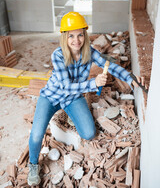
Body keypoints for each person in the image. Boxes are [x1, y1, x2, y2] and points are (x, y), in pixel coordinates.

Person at [27, 11, 147, 186]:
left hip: (73, 97)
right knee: (37, 135)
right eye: (71, 36)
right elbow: (65, 86)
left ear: (85, 35)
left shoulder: (89, 52)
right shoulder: (58, 55)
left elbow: (109, 66)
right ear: (64, 37)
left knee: (89, 133)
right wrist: (93, 84)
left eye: (80, 35)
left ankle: (69, 112)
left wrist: (129, 78)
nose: (77, 41)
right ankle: (33, 164)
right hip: (52, 96)